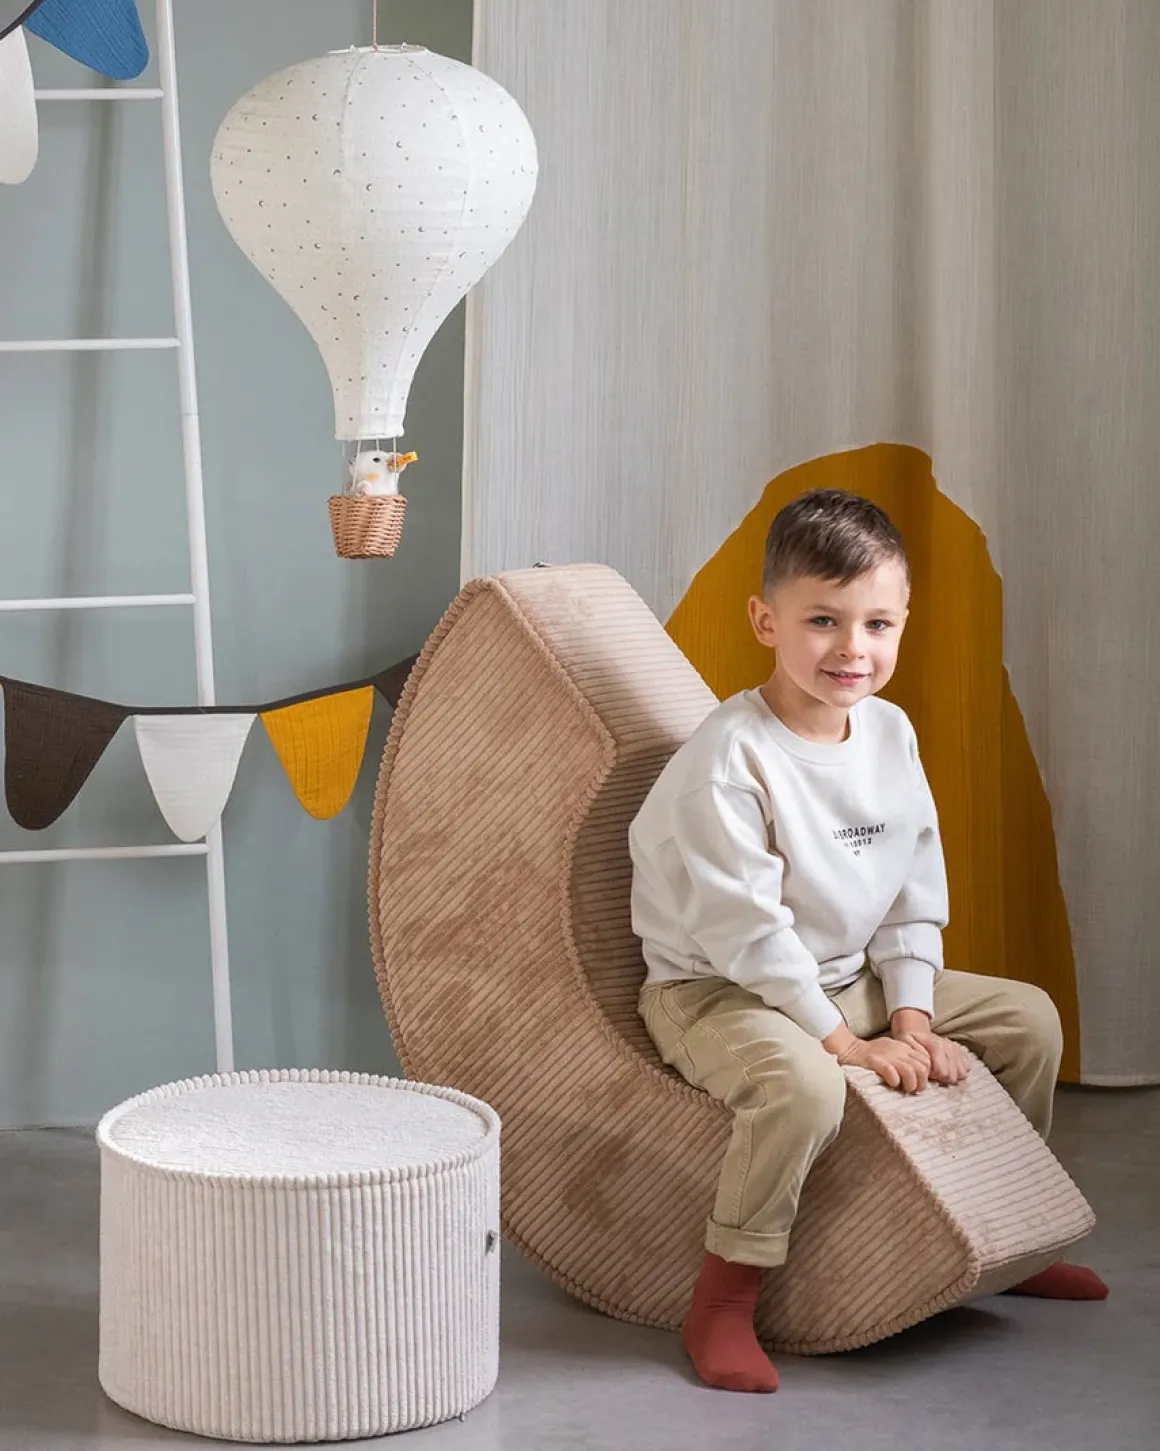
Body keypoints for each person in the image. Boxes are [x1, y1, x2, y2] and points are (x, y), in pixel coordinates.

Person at [629, 489, 1107, 1395]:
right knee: (804, 1087)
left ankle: (1011, 1232)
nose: (853, 647)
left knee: (1031, 1021)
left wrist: (913, 1015)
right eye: (823, 619)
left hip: (845, 973)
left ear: (903, 621)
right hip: (719, 989)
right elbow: (748, 934)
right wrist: (848, 1046)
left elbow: (912, 887)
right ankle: (724, 1297)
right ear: (765, 621)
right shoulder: (729, 759)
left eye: (877, 623)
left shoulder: (889, 731)